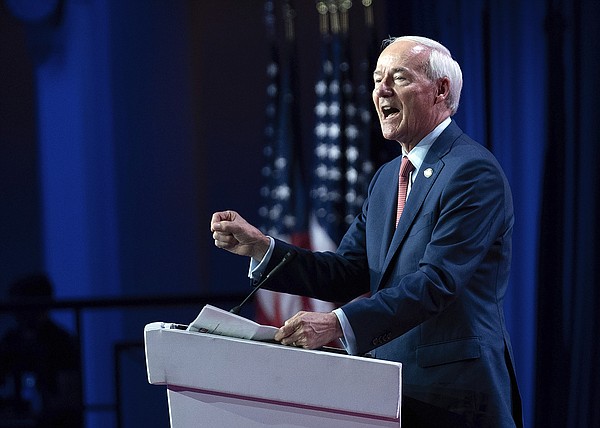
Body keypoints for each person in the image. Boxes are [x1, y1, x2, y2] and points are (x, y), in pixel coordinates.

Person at [211, 36, 522, 427]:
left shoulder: (472, 172)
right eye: (377, 79)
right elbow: (347, 270)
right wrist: (264, 249)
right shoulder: (387, 179)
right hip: (386, 392)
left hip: (455, 396)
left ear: (441, 90)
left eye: (399, 78)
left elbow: (436, 282)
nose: (381, 91)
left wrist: (337, 323)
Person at [0, 274, 83, 428]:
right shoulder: (11, 341)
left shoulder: (60, 342)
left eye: (21, 305)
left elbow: (67, 397)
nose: (16, 313)